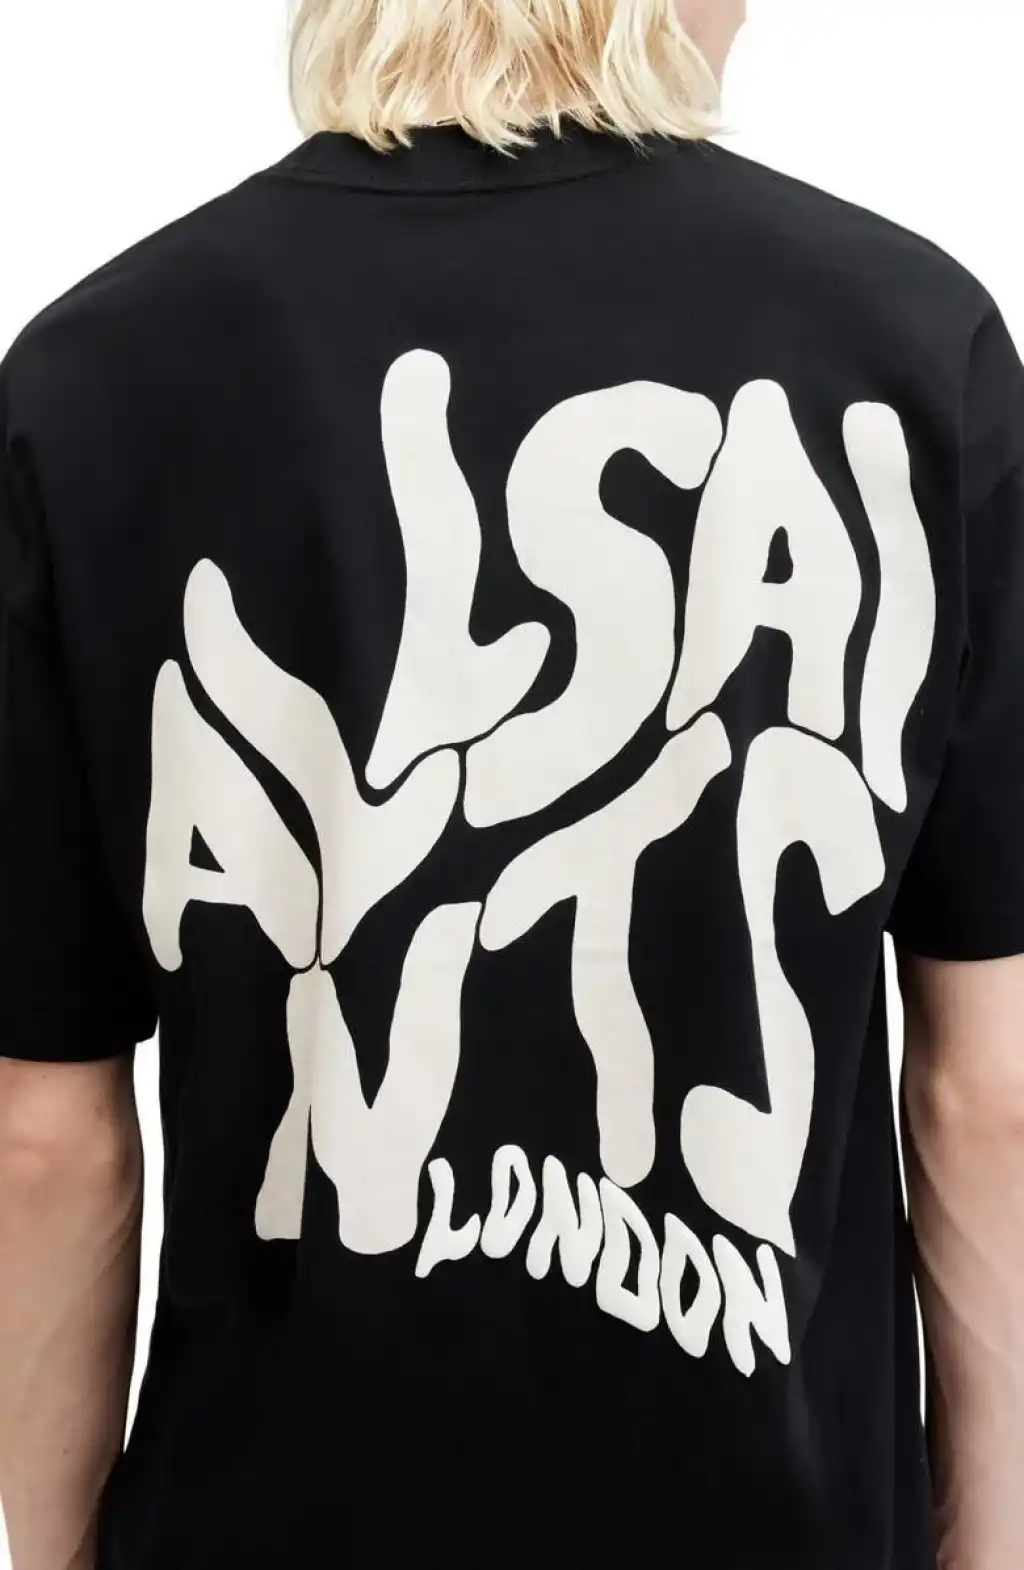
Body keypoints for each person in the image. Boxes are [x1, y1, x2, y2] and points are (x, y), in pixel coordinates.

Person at [1, 0, 1022, 1565]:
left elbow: (44, 1137)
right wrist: (985, 1537)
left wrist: (61, 1549)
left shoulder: (96, 377)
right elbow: (988, 1091)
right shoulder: (911, 343)